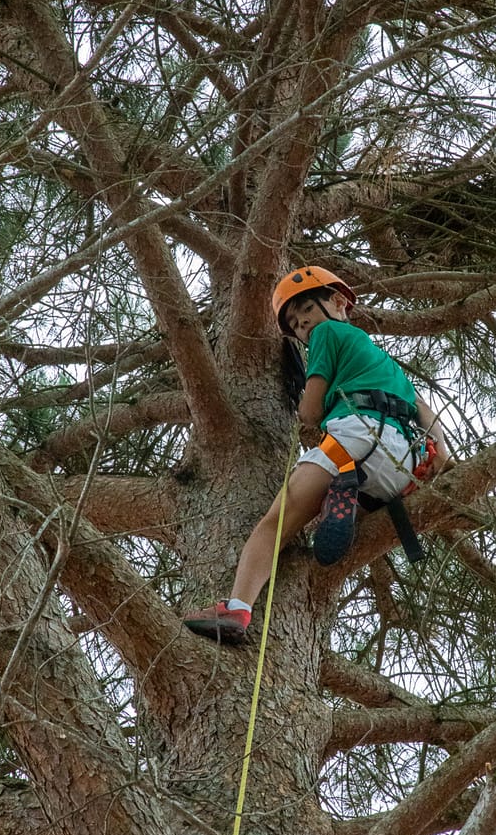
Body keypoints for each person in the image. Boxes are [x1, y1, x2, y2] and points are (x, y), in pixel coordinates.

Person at [184, 266, 453, 643]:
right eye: (294, 324)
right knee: (339, 509)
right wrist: (439, 456)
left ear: (339, 302)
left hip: (353, 437)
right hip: (400, 466)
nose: (302, 325)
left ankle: (238, 610)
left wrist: (304, 407)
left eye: (307, 309)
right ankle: (343, 499)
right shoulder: (390, 367)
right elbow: (427, 413)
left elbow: (309, 413)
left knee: (272, 526)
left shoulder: (329, 332)